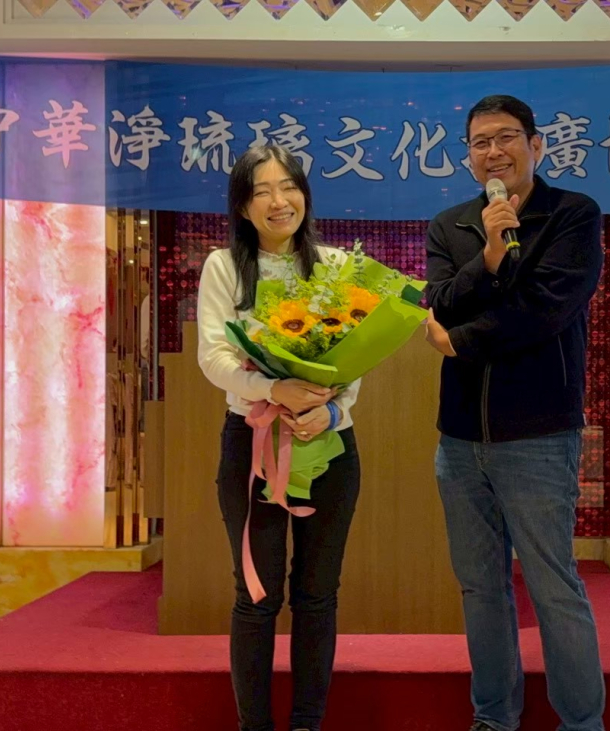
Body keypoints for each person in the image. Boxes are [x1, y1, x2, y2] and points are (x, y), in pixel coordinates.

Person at [422, 95, 607, 731]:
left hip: (539, 435)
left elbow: (546, 309)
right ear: (468, 156)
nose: (493, 152)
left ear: (536, 145)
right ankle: (494, 717)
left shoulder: (572, 215)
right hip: (459, 439)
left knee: (554, 586)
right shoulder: (451, 224)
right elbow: (440, 300)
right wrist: (492, 256)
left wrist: (461, 342)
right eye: (480, 142)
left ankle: (580, 723)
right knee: (480, 587)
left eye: (506, 138)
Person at [196, 144, 362, 731]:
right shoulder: (224, 266)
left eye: (288, 187)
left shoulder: (336, 267)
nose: (278, 200)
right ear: (242, 206)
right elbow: (214, 357)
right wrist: (274, 389)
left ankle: (307, 723)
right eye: (261, 190)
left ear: (305, 196)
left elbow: (354, 358)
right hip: (253, 443)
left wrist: (330, 411)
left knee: (318, 595)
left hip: (330, 446)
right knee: (257, 594)